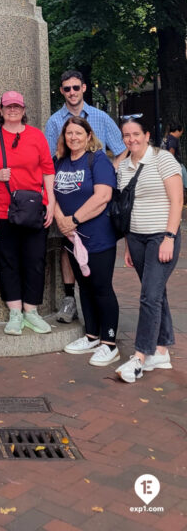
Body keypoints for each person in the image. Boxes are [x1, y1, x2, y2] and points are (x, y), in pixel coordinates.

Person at [44, 69, 126, 324]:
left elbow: (121, 150)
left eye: (75, 88)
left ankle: (105, 333)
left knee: (99, 269)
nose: (71, 92)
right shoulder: (55, 121)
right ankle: (71, 299)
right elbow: (49, 162)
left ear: (84, 88)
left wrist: (107, 173)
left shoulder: (100, 118)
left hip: (94, 202)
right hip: (67, 196)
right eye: (67, 88)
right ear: (61, 91)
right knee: (68, 249)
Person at [115, 116, 182, 384]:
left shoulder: (163, 159)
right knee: (156, 294)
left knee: (149, 295)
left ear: (147, 135)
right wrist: (129, 245)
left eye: (136, 134)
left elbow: (177, 201)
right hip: (137, 238)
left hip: (161, 236)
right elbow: (127, 208)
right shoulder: (124, 168)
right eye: (126, 135)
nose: (131, 139)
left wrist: (169, 237)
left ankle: (140, 357)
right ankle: (162, 349)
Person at [53, 117, 120, 366]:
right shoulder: (59, 161)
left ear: (89, 136)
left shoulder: (98, 160)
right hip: (71, 238)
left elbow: (103, 196)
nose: (73, 137)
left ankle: (109, 343)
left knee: (102, 288)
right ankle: (92, 335)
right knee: (85, 287)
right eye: (69, 133)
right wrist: (61, 219)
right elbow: (51, 193)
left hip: (98, 237)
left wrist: (75, 219)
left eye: (78, 133)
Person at [0, 91, 56, 335]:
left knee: (35, 260)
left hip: (33, 209)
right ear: (1, 110)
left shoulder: (36, 136)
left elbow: (48, 170)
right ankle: (15, 312)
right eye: (8, 107)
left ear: (23, 109)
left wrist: (50, 202)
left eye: (17, 106)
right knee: (7, 261)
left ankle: (31, 311)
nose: (12, 111)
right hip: (2, 209)